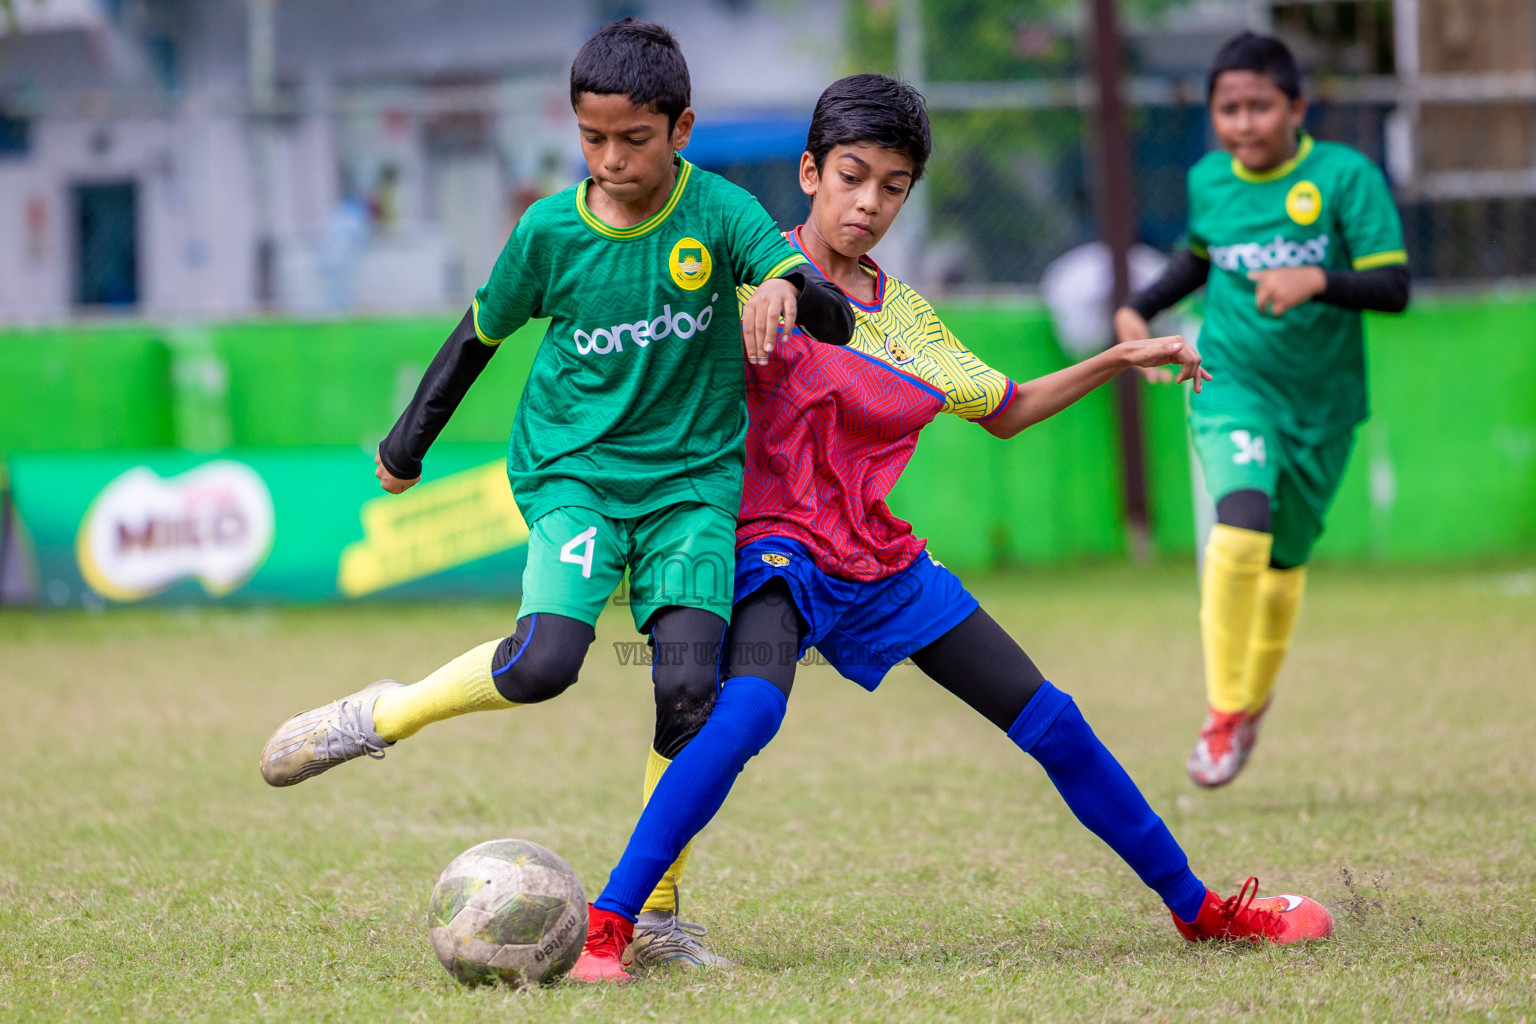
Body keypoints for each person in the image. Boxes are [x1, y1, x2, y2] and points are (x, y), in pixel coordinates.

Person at [570, 74, 1331, 985]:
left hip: (873, 557)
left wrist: (1123, 355)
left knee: (1054, 721)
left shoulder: (905, 319)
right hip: (760, 541)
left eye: (893, 186)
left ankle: (1202, 913)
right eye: (852, 176)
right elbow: (643, 353)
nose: (869, 203)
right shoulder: (737, 260)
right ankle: (607, 928)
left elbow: (1005, 407)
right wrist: (740, 316)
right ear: (810, 172)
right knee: (750, 712)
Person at [257, 18, 853, 968]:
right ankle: (381, 714)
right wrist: (409, 444)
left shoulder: (725, 213)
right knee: (544, 666)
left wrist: (789, 291)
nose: (611, 160)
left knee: (692, 692)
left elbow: (830, 314)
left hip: (693, 487)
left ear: (682, 129)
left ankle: (655, 916)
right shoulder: (548, 231)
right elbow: (477, 336)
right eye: (592, 138)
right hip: (574, 474)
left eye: (634, 139)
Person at [1114, 32, 1411, 788]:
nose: (1242, 124)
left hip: (1325, 407)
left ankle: (1249, 706)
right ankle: (1222, 712)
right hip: (1232, 383)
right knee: (1240, 530)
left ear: (1296, 108)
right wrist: (1138, 310)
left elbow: (1394, 287)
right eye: (1228, 109)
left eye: (1258, 107)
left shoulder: (1346, 178)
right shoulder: (1211, 179)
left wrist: (1318, 280)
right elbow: (1202, 256)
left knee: (1283, 563)